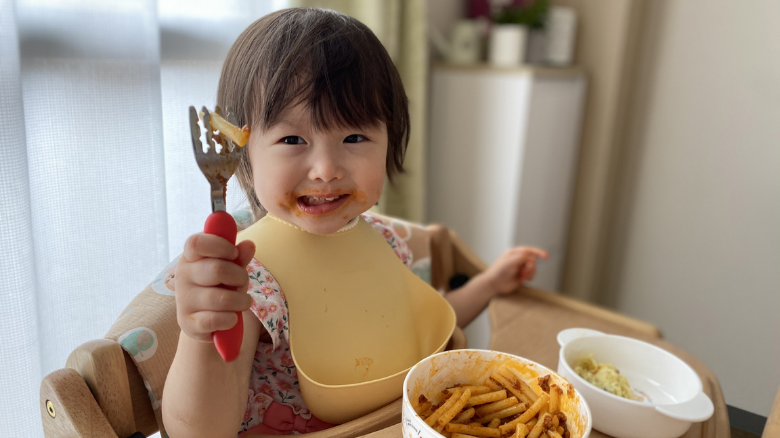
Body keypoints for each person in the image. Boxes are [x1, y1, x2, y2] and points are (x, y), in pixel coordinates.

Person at [162, 8, 547, 438]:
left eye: (354, 138)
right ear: (245, 155)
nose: (326, 168)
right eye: (292, 139)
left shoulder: (388, 241)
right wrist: (200, 335)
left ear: (390, 140)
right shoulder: (248, 279)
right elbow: (198, 432)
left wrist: (490, 284)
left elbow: (418, 331)